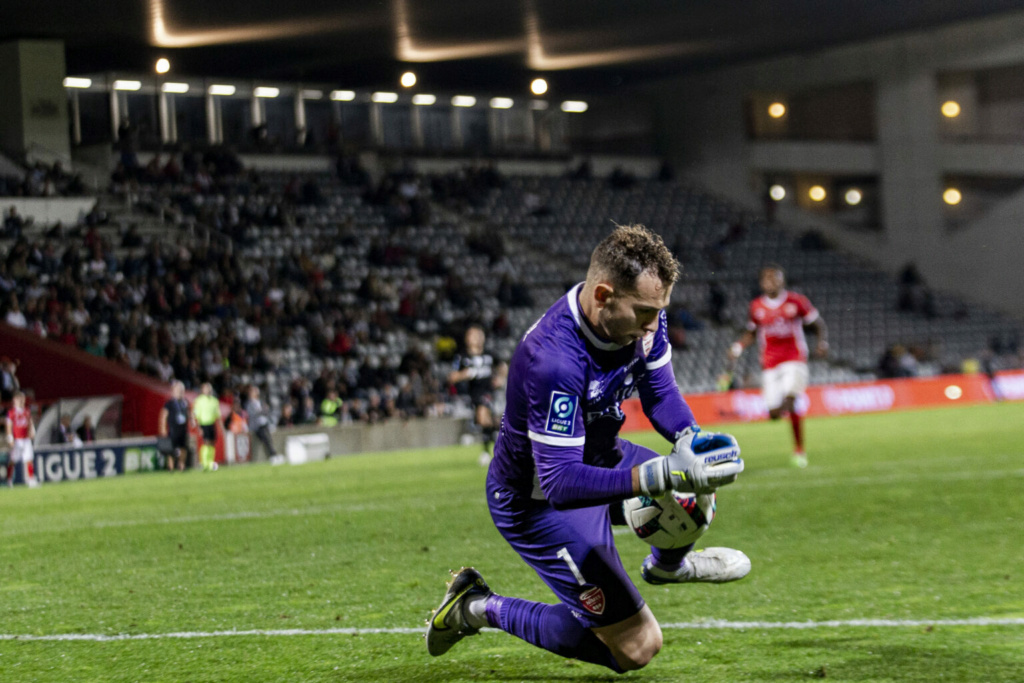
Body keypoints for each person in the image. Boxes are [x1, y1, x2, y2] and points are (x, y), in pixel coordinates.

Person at [426, 225, 747, 672]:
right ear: (603, 295)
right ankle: (476, 606)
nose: (653, 325)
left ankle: (669, 567)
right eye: (644, 312)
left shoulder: (642, 318)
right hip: (537, 502)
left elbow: (659, 392)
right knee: (636, 649)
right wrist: (663, 473)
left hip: (601, 461)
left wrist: (690, 440)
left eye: (660, 311)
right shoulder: (553, 358)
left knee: (693, 493)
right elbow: (559, 483)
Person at [727, 265, 828, 468]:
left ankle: (799, 449)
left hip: (794, 357)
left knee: (790, 398)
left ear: (782, 281)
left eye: (774, 279)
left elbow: (817, 323)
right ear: (761, 283)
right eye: (766, 279)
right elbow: (752, 332)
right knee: (774, 413)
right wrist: (738, 346)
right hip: (770, 362)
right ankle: (787, 410)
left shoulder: (796, 301)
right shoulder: (756, 306)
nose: (770, 283)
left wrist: (822, 342)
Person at [447, 325, 507, 466]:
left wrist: (501, 378)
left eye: (479, 335)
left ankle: (487, 453)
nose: (477, 338)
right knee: (486, 422)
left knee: (482, 417)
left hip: (488, 392)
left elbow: (502, 366)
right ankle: (504, 438)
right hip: (472, 394)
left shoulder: (488, 354)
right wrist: (465, 374)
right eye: (473, 335)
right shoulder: (462, 357)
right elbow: (452, 377)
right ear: (467, 338)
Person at [158, 381, 193, 471]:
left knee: (183, 448)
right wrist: (163, 428)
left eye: (181, 390)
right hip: (173, 429)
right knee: (171, 449)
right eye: (178, 390)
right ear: (173, 391)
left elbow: (189, 413)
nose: (180, 392)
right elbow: (164, 415)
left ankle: (182, 465)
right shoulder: (169, 404)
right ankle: (171, 466)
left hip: (183, 429)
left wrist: (192, 421)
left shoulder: (185, 402)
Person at [6, 392, 39, 486]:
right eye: (19, 399)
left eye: (22, 399)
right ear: (14, 400)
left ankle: (31, 479)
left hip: (26, 439)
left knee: (29, 459)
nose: (21, 401)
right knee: (13, 460)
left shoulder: (27, 411)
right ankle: (9, 480)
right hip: (17, 440)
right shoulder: (11, 412)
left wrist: (32, 430)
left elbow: (29, 422)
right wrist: (10, 437)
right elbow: (9, 425)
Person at [243, 385, 277, 461]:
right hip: (257, 426)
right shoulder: (249, 403)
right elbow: (257, 412)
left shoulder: (259, 401)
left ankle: (272, 455)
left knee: (268, 440)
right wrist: (263, 410)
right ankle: (272, 456)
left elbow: (265, 410)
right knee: (266, 440)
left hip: (263, 424)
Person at [192, 383, 220, 472]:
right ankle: (204, 463)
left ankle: (210, 462)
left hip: (212, 424)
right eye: (206, 388)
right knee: (206, 442)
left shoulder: (214, 401)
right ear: (202, 390)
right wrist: (199, 427)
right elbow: (195, 414)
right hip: (204, 424)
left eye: (209, 388)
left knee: (212, 443)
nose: (208, 390)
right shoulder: (199, 401)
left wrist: (221, 428)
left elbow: (217, 415)